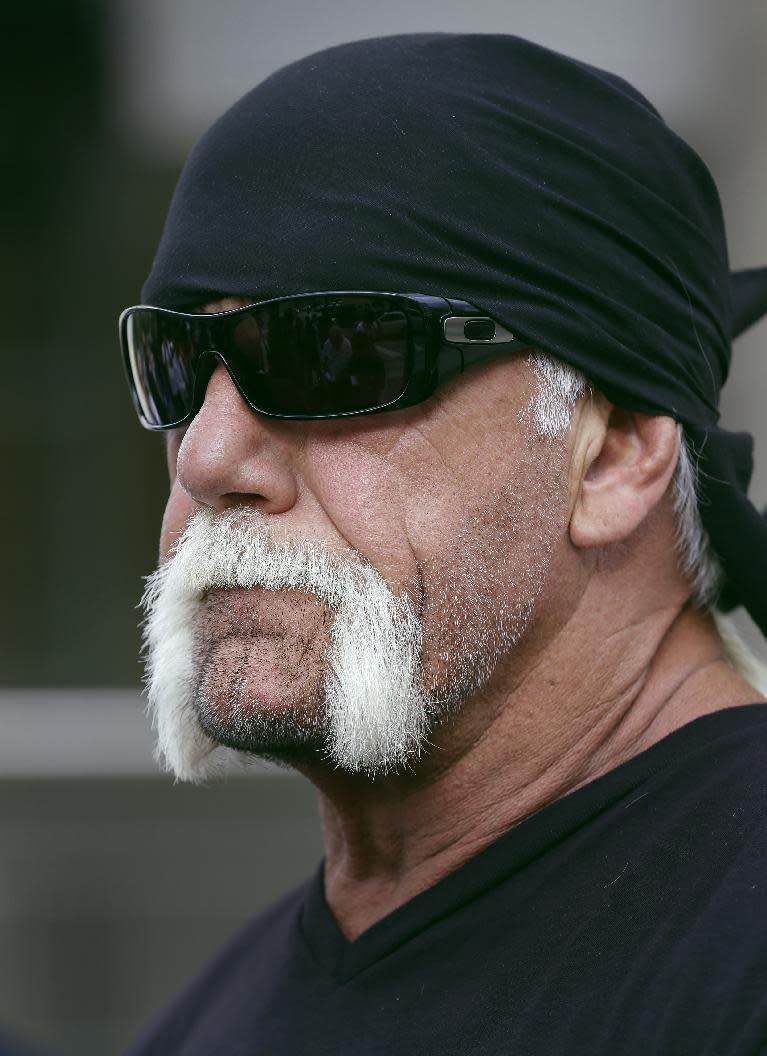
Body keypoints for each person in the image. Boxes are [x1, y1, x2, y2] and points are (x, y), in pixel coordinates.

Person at [121, 33, 767, 1055]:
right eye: (175, 366)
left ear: (610, 456)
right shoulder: (217, 1017)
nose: (206, 459)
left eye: (329, 354)